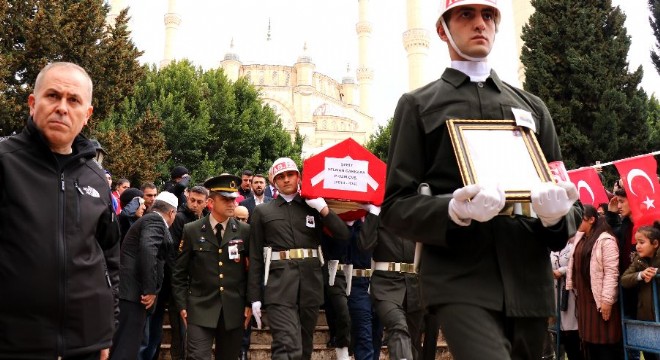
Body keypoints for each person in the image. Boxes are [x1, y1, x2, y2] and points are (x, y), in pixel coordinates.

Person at [379, 1, 581, 359]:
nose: (479, 24)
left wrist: (556, 217)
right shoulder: (418, 104)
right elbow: (396, 206)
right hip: (460, 279)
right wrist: (452, 211)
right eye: (466, 15)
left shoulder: (532, 108)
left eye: (488, 16)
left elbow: (570, 206)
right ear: (442, 29)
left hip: (528, 282)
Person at [0, 62, 120, 359]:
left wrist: (106, 329)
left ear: (87, 115)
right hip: (15, 345)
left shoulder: (96, 179)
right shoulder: (5, 162)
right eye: (53, 96)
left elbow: (109, 258)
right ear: (33, 103)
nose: (62, 108)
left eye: (74, 100)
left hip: (85, 345)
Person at [248, 157, 351, 360]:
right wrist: (255, 297)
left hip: (310, 283)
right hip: (279, 284)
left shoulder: (312, 205)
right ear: (273, 182)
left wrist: (323, 209)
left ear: (299, 177)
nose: (286, 180)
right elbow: (255, 256)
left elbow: (343, 235)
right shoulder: (262, 211)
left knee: (304, 345)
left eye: (290, 175)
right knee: (287, 343)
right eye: (280, 177)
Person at [172, 175, 251, 360]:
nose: (232, 203)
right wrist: (182, 305)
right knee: (197, 356)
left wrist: (249, 302)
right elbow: (179, 273)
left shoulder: (245, 231)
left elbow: (252, 270)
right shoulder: (192, 230)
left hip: (233, 308)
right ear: (210, 202)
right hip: (200, 307)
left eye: (233, 198)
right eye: (225, 199)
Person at [110, 191, 178, 360]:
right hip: (134, 295)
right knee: (125, 349)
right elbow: (148, 249)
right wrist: (150, 290)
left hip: (131, 295)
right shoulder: (155, 220)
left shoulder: (147, 220)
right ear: (171, 213)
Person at [358, 206, 423, 360]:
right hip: (386, 284)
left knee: (413, 340)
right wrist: (373, 213)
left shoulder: (415, 210)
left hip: (414, 285)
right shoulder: (377, 214)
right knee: (398, 326)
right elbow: (364, 245)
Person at [566, 205, 623, 360]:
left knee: (604, 345)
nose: (576, 221)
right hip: (584, 300)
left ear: (592, 219)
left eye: (580, 218)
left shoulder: (607, 240)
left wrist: (606, 300)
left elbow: (611, 272)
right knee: (588, 344)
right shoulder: (580, 237)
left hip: (599, 300)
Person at [620, 221, 660, 360]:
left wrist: (657, 273)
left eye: (642, 242)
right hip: (645, 317)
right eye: (636, 242)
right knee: (649, 353)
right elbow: (624, 279)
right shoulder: (639, 260)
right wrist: (641, 275)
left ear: (655, 244)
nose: (637, 246)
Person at [550, 237, 583, 360]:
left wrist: (563, 271)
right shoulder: (554, 248)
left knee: (574, 334)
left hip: (572, 293)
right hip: (557, 294)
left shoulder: (577, 244)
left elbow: (578, 264)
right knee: (562, 335)